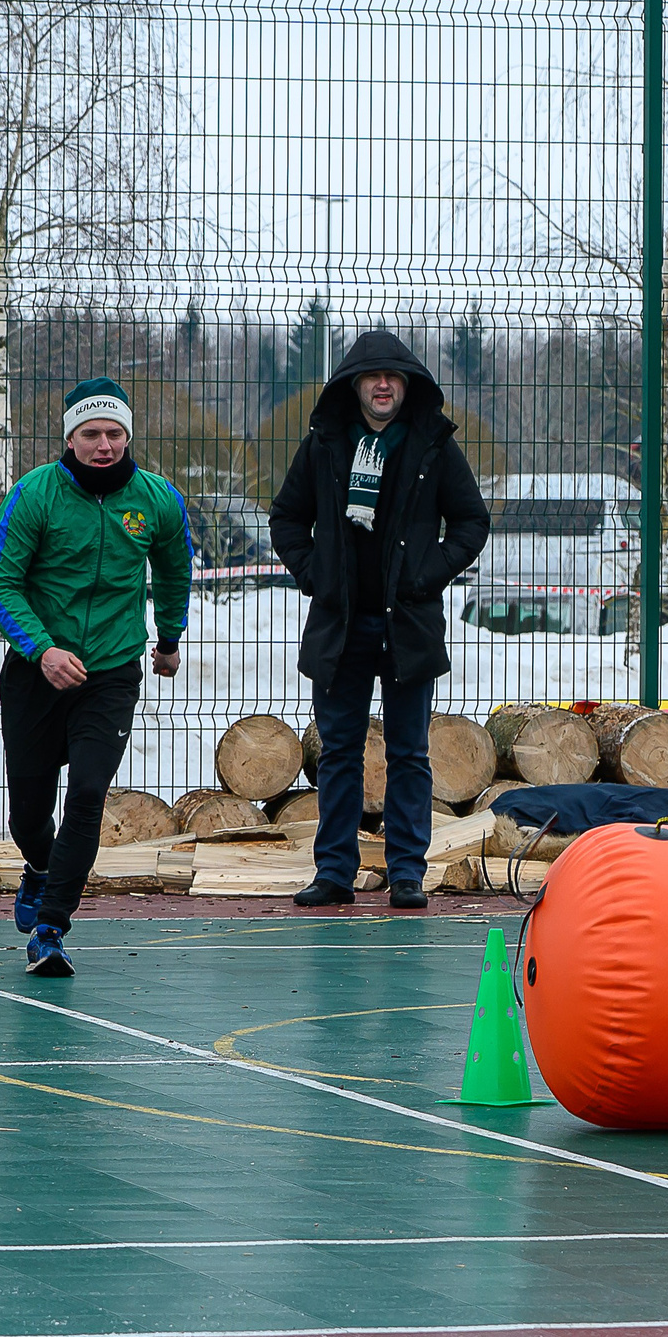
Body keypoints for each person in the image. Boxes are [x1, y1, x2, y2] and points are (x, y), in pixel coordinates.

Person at [268, 330, 489, 911]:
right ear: (354, 386)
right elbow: (286, 517)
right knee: (339, 752)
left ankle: (407, 872)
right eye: (372, 377)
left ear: (408, 385)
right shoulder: (324, 445)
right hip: (339, 626)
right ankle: (334, 872)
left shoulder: (432, 446)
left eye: (393, 377)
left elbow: (471, 521)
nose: (383, 386)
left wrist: (427, 574)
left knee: (409, 753)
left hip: (407, 625)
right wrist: (317, 575)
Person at [0, 377, 192, 977]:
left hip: (112, 671)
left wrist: (168, 639)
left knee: (88, 794)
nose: (104, 445)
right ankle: (39, 866)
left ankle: (50, 928)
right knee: (29, 811)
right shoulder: (34, 494)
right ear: (69, 438)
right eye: (92, 434)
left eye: (115, 433)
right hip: (37, 672)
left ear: (128, 436)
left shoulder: (157, 499)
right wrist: (42, 649)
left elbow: (174, 571)